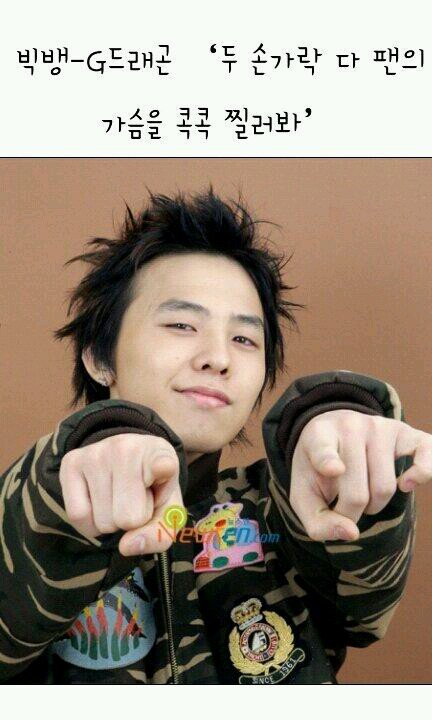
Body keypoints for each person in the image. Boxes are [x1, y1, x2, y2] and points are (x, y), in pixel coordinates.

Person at [0, 189, 428, 684]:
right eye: (182, 324)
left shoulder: (281, 515)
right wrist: (92, 454)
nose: (218, 358)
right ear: (98, 355)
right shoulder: (35, 509)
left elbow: (365, 607)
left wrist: (340, 427)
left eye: (244, 338)